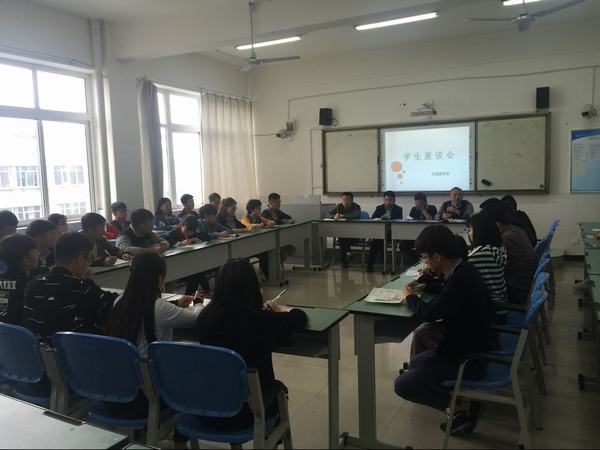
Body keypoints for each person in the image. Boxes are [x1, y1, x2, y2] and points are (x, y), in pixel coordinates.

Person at [394, 225, 496, 434]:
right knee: (415, 363)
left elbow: (430, 313)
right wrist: (426, 286)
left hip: (467, 358)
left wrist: (409, 297)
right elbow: (448, 291)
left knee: (401, 385)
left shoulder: (458, 279)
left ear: (437, 257)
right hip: (475, 345)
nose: (425, 262)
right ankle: (460, 402)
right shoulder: (464, 269)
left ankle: (460, 406)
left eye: (425, 258)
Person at [195, 259, 308, 436]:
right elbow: (299, 318)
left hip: (207, 408)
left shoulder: (204, 319)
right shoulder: (258, 320)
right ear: (252, 287)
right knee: (278, 390)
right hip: (248, 412)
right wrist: (278, 309)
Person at [22, 232, 119, 342]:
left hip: (40, 350)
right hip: (75, 351)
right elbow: (117, 303)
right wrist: (90, 284)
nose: (88, 264)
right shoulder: (81, 287)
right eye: (88, 260)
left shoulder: (32, 284)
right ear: (80, 260)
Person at [105, 252, 200, 356]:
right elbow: (199, 319)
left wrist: (176, 303)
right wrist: (198, 302)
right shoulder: (160, 308)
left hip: (126, 362)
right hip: (152, 364)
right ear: (159, 277)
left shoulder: (119, 300)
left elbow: (141, 305)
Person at [481, 203, 538, 305]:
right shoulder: (514, 229)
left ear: (496, 223)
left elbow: (491, 266)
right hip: (524, 283)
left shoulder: (508, 238)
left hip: (517, 291)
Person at [467, 213, 508, 318]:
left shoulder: (482, 254)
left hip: (491, 311)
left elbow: (458, 269)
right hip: (499, 305)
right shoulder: (495, 249)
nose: (468, 233)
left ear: (480, 231)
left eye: (470, 229)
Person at [0, 235, 39, 325]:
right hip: (23, 331)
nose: (38, 253)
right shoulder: (32, 285)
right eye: (34, 251)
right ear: (26, 261)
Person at [367, 191, 403, 273]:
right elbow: (373, 218)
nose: (388, 202)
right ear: (383, 200)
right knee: (375, 242)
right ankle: (370, 265)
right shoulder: (379, 208)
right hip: (380, 232)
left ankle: (387, 263)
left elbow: (398, 221)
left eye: (390, 200)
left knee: (379, 241)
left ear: (394, 200)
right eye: (386, 200)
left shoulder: (398, 209)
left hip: (393, 233)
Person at [399, 193, 439, 266]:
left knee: (426, 245)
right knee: (402, 245)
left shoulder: (432, 208)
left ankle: (421, 259)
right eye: (416, 203)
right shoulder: (414, 209)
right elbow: (410, 220)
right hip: (414, 236)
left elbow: (432, 221)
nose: (417, 206)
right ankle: (418, 258)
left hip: (427, 237)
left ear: (425, 202)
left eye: (419, 204)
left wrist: (423, 210)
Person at [328, 192, 362, 268]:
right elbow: (328, 214)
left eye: (347, 199)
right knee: (342, 239)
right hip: (342, 232)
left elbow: (356, 215)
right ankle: (347, 256)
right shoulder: (339, 206)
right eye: (344, 199)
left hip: (355, 233)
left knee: (342, 241)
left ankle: (345, 260)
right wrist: (334, 216)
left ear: (352, 200)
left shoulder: (356, 206)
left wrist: (343, 216)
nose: (345, 201)